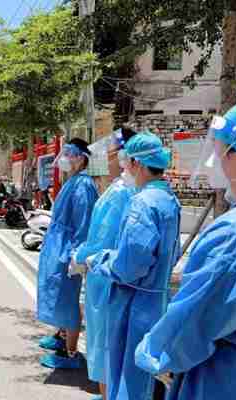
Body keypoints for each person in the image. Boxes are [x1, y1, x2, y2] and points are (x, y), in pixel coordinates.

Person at [135, 99, 236, 400]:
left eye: (222, 146)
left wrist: (155, 354)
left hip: (223, 377)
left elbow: (193, 321)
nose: (216, 156)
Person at [76, 132, 181, 400]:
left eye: (126, 163)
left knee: (129, 379)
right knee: (142, 379)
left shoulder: (142, 203)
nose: (124, 169)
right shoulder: (168, 199)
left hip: (134, 303)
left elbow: (130, 264)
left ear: (137, 163)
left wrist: (96, 260)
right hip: (155, 298)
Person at [70, 127, 138, 399]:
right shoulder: (121, 190)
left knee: (107, 348)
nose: (105, 157)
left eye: (110, 152)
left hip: (107, 279)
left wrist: (80, 257)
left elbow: (102, 237)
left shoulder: (121, 193)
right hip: (108, 276)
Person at [37, 138, 99, 369]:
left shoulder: (83, 185)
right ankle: (61, 336)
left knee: (68, 299)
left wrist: (76, 254)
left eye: (70, 154)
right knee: (59, 294)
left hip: (67, 249)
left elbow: (83, 223)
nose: (65, 158)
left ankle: (69, 353)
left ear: (81, 158)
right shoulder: (74, 181)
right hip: (58, 244)